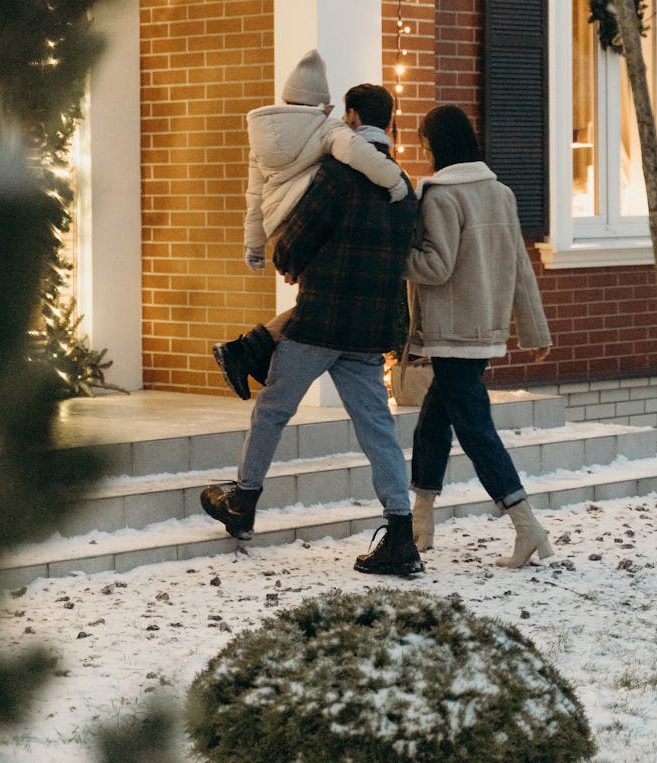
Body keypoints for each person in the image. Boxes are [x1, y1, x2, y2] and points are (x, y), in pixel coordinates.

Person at [201, 83, 424, 577]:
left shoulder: (335, 175)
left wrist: (286, 260)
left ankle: (244, 503)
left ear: (351, 116)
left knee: (273, 411)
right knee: (377, 431)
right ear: (387, 124)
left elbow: (294, 242)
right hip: (368, 333)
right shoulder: (403, 186)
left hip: (317, 322)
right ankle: (400, 533)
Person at [404, 104, 553, 568]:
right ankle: (420, 521)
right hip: (484, 330)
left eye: (424, 142)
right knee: (433, 422)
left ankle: (526, 523)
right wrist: (534, 329)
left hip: (451, 333)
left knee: (474, 428)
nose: (422, 150)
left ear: (438, 145)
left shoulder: (440, 197)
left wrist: (390, 257)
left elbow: (436, 265)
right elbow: (520, 267)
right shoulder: (500, 193)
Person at [212, 49, 408, 400]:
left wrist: (255, 246)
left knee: (319, 300)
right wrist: (395, 182)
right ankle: (244, 352)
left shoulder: (260, 135)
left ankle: (244, 352)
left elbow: (253, 197)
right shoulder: (328, 130)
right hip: (307, 219)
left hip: (280, 226)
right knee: (324, 300)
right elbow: (359, 154)